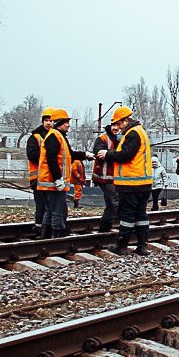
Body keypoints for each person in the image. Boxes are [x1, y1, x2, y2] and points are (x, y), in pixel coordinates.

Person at [95, 105, 153, 255]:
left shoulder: (132, 134)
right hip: (143, 183)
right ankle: (142, 246)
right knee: (141, 214)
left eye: (119, 123)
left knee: (127, 215)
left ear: (126, 120)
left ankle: (122, 246)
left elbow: (126, 154)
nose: (118, 127)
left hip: (131, 183)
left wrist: (107, 154)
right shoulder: (141, 132)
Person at [37, 109, 87, 238]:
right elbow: (52, 159)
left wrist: (85, 155)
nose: (68, 125)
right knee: (58, 211)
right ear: (59, 123)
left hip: (50, 182)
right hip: (53, 182)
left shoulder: (58, 136)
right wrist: (57, 179)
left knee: (50, 211)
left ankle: (45, 236)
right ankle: (57, 237)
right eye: (66, 122)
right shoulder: (54, 137)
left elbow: (69, 154)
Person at [26, 107, 54, 235]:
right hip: (38, 178)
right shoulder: (35, 137)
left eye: (51, 120)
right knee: (41, 205)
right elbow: (32, 155)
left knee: (49, 205)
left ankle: (45, 227)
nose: (49, 123)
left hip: (50, 178)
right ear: (43, 122)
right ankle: (39, 227)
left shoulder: (55, 136)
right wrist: (49, 157)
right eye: (46, 120)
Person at [91, 123, 120, 231]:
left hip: (113, 177)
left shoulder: (119, 138)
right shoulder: (102, 138)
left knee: (111, 203)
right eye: (114, 126)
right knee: (116, 201)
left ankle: (105, 227)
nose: (116, 128)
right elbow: (99, 153)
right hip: (104, 177)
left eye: (117, 126)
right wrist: (117, 153)